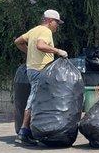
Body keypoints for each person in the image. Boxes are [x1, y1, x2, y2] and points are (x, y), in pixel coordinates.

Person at [14, 9, 68, 145]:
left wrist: (29, 52)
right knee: (34, 99)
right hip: (40, 70)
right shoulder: (46, 31)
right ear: (50, 21)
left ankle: (33, 130)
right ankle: (23, 132)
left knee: (39, 99)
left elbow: (18, 42)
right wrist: (58, 51)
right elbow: (40, 45)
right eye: (56, 22)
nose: (57, 25)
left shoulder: (33, 30)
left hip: (31, 69)